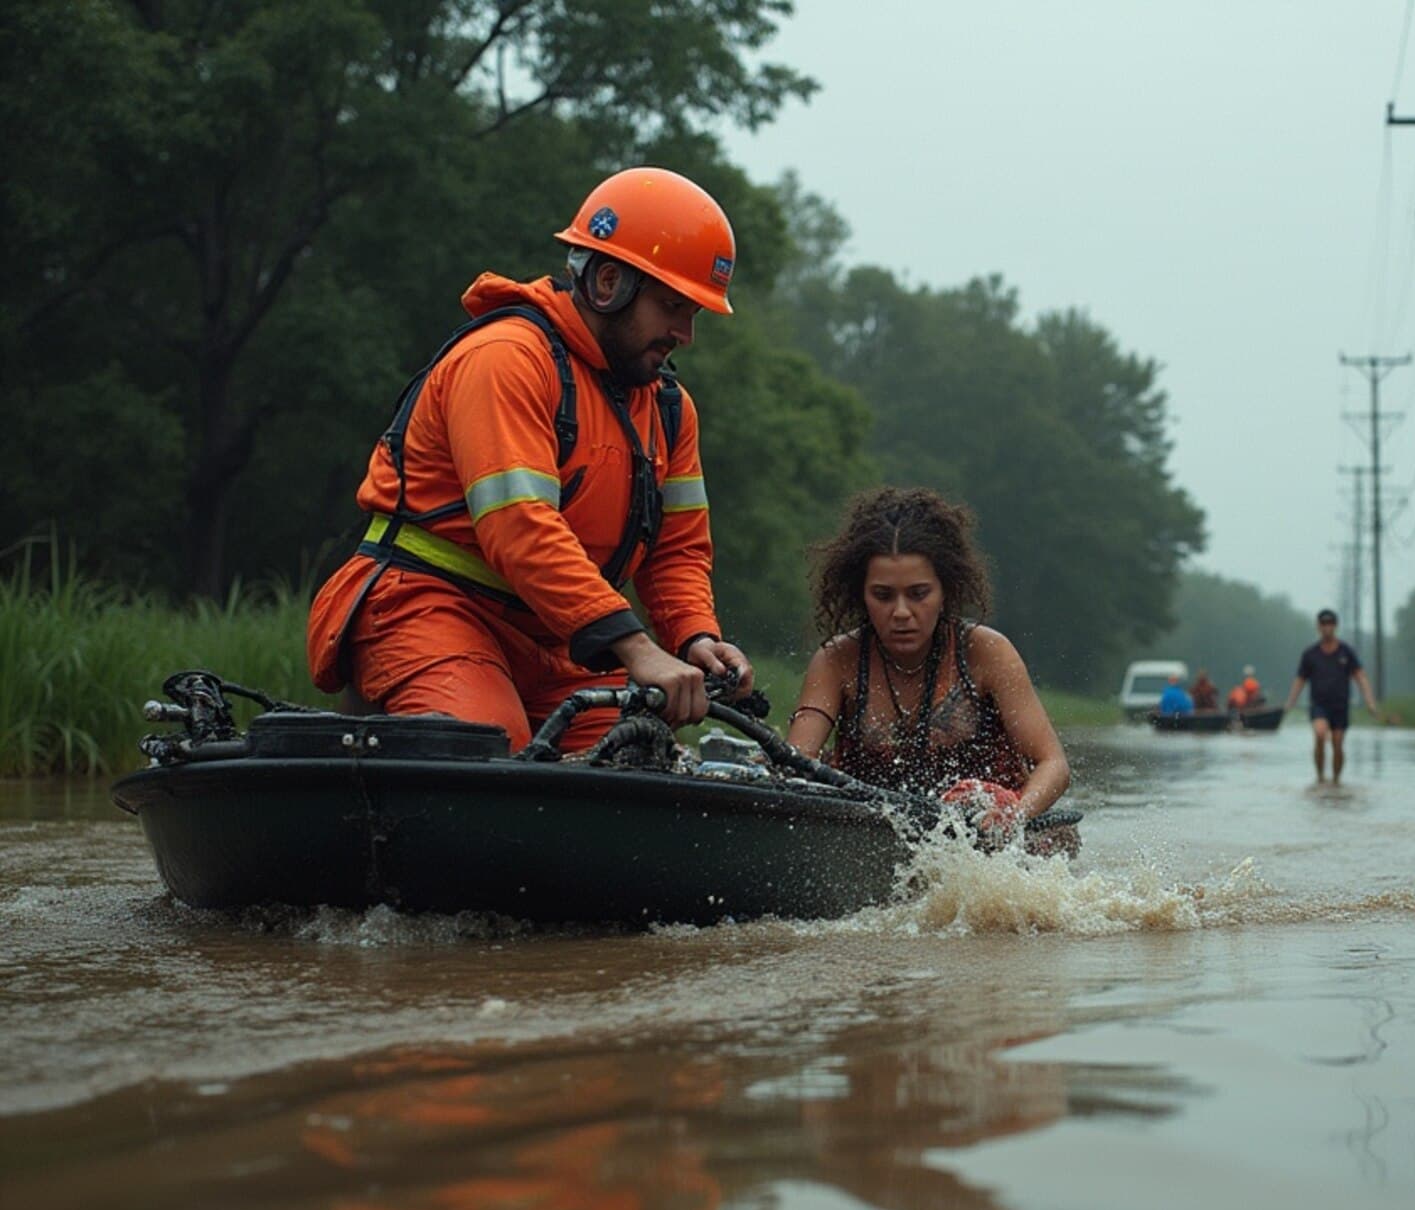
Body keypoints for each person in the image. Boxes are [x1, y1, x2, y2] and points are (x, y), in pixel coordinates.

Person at [305, 167, 753, 751]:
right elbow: (520, 528)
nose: (685, 333)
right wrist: (636, 647)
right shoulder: (506, 360)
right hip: (428, 607)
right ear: (608, 283)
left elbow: (676, 552)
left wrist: (695, 638)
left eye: (693, 313)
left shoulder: (669, 408)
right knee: (490, 747)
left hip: (560, 641)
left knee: (636, 757)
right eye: (673, 305)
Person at [787, 487, 1070, 840]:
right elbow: (797, 765)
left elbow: (1053, 765)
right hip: (872, 839)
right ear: (860, 594)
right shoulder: (836, 661)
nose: (901, 613)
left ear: (945, 591)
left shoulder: (986, 652)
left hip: (992, 843)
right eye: (883, 596)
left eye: (918, 594)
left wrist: (1013, 814)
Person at [1282, 609, 1380, 782]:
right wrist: (1290, 703)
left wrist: (1370, 702)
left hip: (1340, 705)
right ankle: (1320, 777)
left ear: (1335, 626)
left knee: (1337, 742)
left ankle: (1336, 780)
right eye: (1323, 624)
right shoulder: (1310, 654)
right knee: (1320, 734)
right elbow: (1300, 680)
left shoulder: (1346, 652)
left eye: (1330, 624)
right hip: (1318, 704)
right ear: (1318, 627)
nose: (1327, 628)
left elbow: (1361, 677)